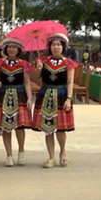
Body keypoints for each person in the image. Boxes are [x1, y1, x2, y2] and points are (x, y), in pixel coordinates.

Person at [32, 33, 78, 168]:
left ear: (63, 47)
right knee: (48, 128)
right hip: (45, 95)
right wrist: (37, 68)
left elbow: (70, 82)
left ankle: (63, 151)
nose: (56, 47)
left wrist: (69, 99)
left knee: (61, 128)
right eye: (53, 45)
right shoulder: (43, 61)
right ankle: (51, 157)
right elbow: (34, 78)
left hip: (61, 95)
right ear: (49, 47)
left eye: (58, 45)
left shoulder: (69, 63)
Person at [0, 37, 33, 167]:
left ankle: (21, 150)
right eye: (9, 47)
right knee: (5, 127)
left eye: (14, 47)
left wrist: (30, 98)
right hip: (3, 95)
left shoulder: (23, 64)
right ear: (5, 48)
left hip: (19, 94)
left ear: (19, 49)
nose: (11, 49)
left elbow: (27, 82)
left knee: (20, 126)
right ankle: (9, 155)